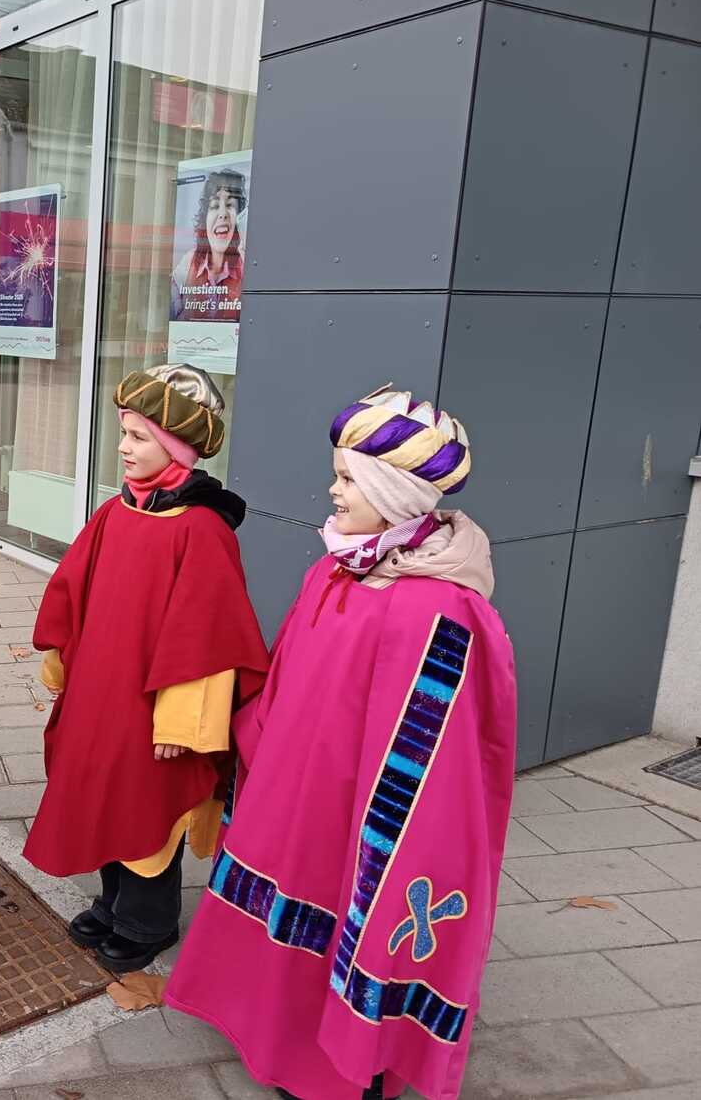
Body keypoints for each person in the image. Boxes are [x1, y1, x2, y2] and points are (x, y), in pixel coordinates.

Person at [164, 388, 518, 1100]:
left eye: (350, 478)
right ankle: (277, 1034)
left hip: (359, 814)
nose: (333, 489)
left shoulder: (439, 609)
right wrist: (252, 746)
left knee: (346, 927)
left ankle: (354, 1060)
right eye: (339, 473)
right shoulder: (333, 569)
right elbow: (289, 669)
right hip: (294, 788)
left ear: (393, 494)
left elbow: (429, 761)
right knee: (287, 923)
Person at [24, 363, 269, 973]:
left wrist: (181, 723)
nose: (123, 447)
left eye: (138, 436)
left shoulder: (202, 530)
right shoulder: (117, 512)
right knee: (101, 793)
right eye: (124, 433)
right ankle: (112, 906)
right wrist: (62, 662)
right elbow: (73, 589)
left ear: (176, 445)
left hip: (156, 708)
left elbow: (209, 636)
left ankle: (147, 922)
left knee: (146, 807)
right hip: (101, 692)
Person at [170, 169, 246, 324]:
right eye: (215, 206)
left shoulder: (246, 266)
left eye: (230, 205)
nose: (223, 214)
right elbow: (171, 321)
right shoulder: (187, 264)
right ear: (205, 218)